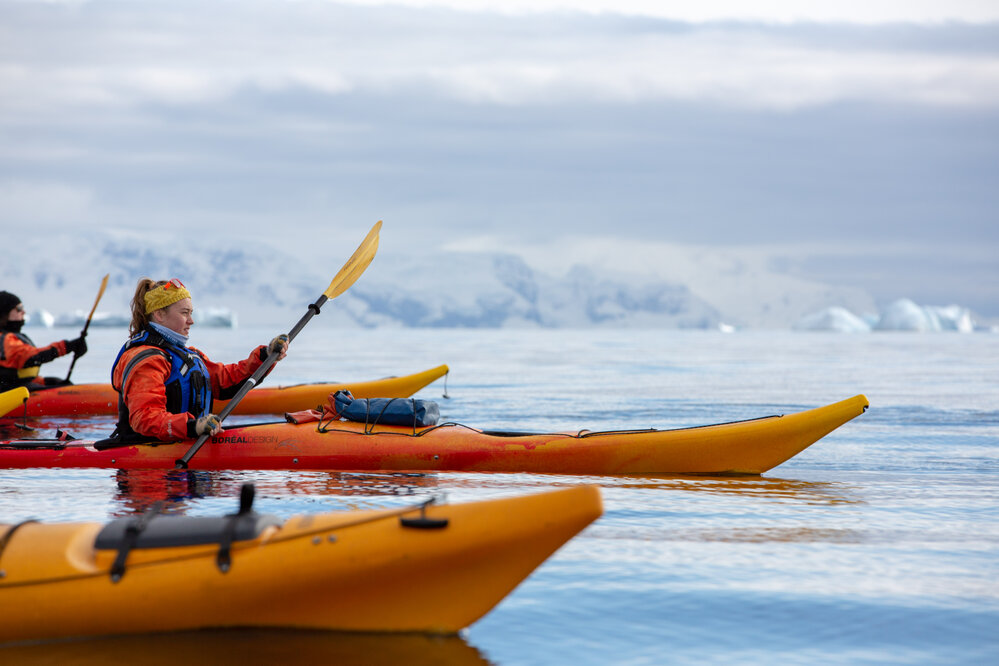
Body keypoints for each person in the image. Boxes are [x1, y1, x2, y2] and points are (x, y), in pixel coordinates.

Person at [110, 278, 288, 443]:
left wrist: (265, 356)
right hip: (149, 453)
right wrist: (194, 426)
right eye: (184, 313)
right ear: (159, 314)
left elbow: (224, 381)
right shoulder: (147, 360)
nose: (191, 321)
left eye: (191, 313)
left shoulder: (187, 355)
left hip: (189, 442)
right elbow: (146, 419)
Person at [0, 290, 88, 392]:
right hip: (9, 392)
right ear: (4, 313)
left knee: (56, 383)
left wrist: (44, 382)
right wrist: (66, 347)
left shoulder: (12, 337)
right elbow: (30, 357)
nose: (23, 312)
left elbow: (19, 374)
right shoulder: (4, 339)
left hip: (19, 386)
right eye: (19, 309)